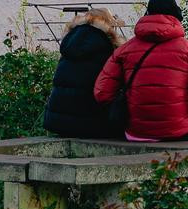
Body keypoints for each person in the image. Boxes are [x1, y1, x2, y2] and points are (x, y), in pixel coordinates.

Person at [93, 0, 188, 142]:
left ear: (147, 14)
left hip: (136, 131)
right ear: (177, 16)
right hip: (178, 130)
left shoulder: (123, 50)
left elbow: (102, 93)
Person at [43, 8, 126, 138]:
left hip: (57, 122)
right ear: (107, 25)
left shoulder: (69, 45)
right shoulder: (106, 48)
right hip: (89, 123)